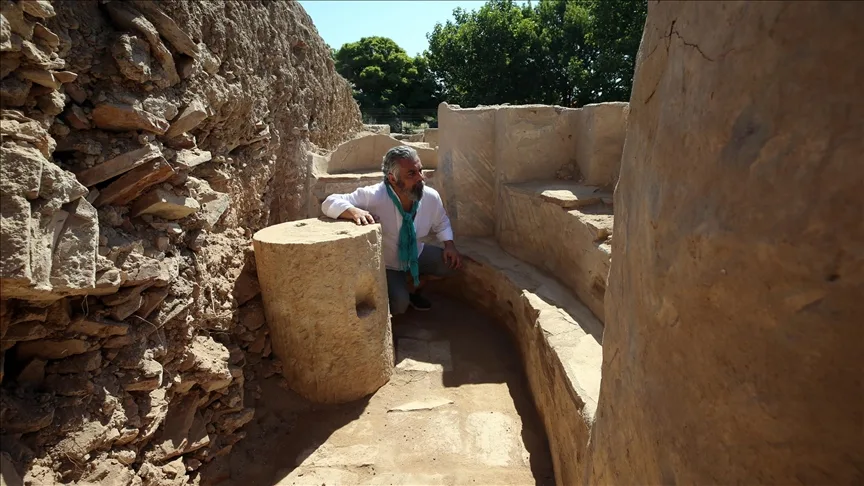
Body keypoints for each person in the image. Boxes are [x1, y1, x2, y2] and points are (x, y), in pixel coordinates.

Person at [321, 145, 462, 315]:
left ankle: (413, 289)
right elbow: (329, 202)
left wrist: (449, 245)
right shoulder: (373, 196)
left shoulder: (430, 196)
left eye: (420, 170)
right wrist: (354, 211)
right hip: (388, 264)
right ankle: (394, 311)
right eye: (411, 173)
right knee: (399, 305)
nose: (421, 178)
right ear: (392, 178)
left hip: (416, 254)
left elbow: (442, 222)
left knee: (452, 265)